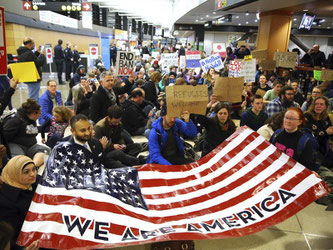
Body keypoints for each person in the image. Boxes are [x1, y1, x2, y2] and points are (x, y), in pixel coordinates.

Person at [0, 155, 39, 250]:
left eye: (34, 169)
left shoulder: (33, 185)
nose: (33, 174)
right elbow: (9, 236)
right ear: (14, 174)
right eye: (26, 172)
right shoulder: (6, 201)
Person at [3, 99, 49, 168]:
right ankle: (25, 168)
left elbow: (34, 130)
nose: (40, 115)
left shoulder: (32, 120)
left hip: (30, 146)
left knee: (46, 151)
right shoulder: (15, 120)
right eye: (39, 113)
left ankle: (33, 167)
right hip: (15, 145)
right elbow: (4, 136)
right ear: (34, 113)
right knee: (19, 159)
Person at [305, 96, 333, 166]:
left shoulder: (326, 117)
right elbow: (309, 134)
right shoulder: (307, 116)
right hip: (312, 146)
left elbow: (330, 131)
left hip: (323, 145)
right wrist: (325, 132)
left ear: (325, 106)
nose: (318, 106)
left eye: (321, 104)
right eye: (316, 104)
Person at [17, 37, 45, 101]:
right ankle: (33, 110)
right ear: (30, 44)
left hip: (28, 77)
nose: (34, 45)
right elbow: (39, 63)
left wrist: (37, 52)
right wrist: (42, 55)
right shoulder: (29, 53)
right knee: (34, 98)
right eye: (33, 43)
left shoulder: (22, 52)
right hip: (34, 78)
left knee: (33, 95)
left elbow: (31, 60)